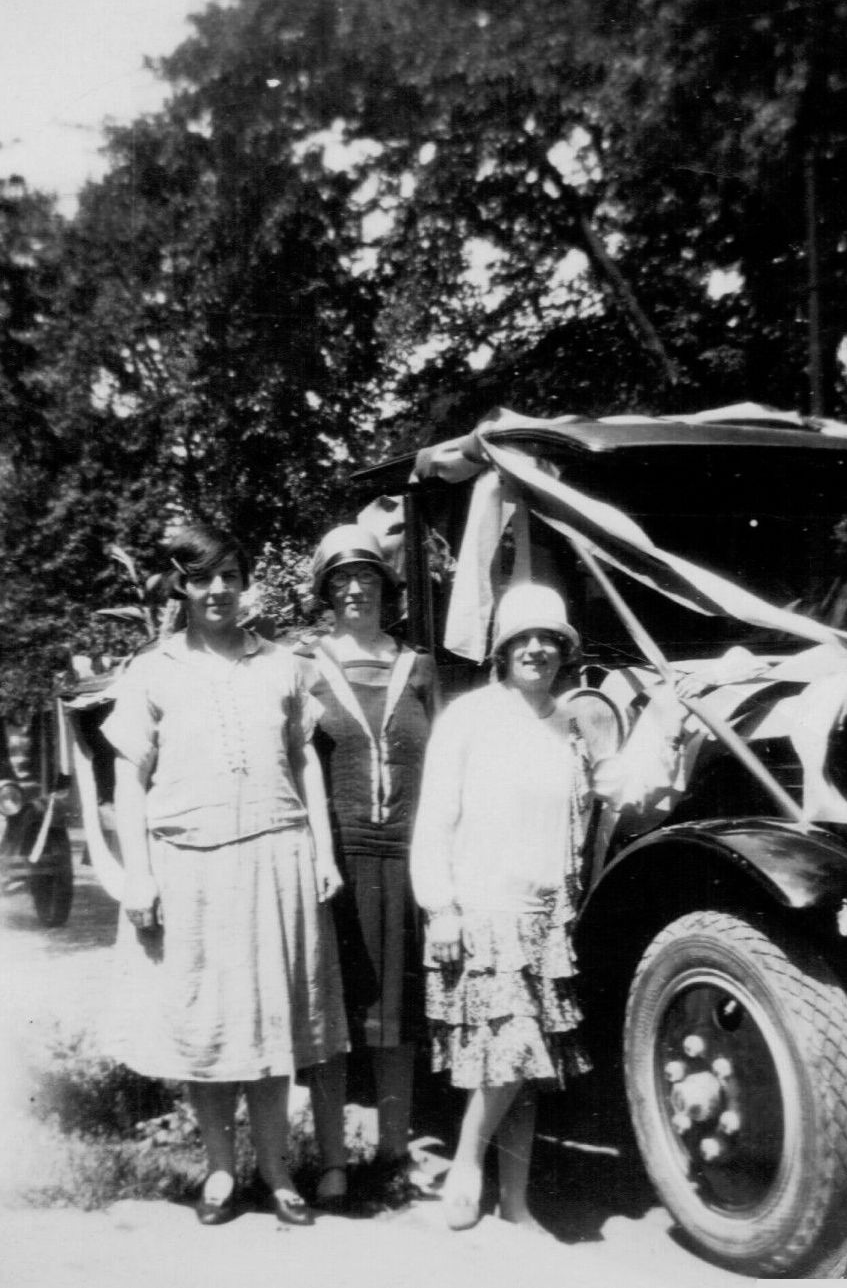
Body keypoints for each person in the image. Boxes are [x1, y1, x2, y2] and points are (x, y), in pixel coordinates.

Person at [410, 582, 685, 1233]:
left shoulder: (571, 724)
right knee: (512, 1053)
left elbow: (623, 788)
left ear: (565, 651)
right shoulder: (469, 718)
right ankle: (467, 1164)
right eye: (523, 639)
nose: (536, 649)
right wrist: (440, 907)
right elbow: (435, 818)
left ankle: (515, 1200)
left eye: (549, 639)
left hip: (547, 918)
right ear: (502, 650)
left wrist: (668, 716)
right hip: (484, 910)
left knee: (528, 1067)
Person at [103, 523, 349, 1228]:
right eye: (202, 577)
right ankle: (219, 1168)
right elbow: (129, 777)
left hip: (275, 856)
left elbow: (304, 761)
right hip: (189, 865)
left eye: (230, 576)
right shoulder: (152, 670)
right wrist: (138, 874)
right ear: (181, 586)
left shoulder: (282, 664)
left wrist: (322, 852)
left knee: (272, 1022)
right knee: (205, 1022)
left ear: (245, 584)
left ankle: (276, 1170)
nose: (217, 589)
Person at [292, 524, 440, 1210]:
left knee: (397, 1016)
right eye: (342, 579)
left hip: (406, 859)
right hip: (334, 862)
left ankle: (392, 1152)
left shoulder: (419, 668)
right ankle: (331, 1161)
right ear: (326, 591)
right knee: (332, 1010)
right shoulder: (303, 665)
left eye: (368, 576)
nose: (355, 588)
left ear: (387, 586)